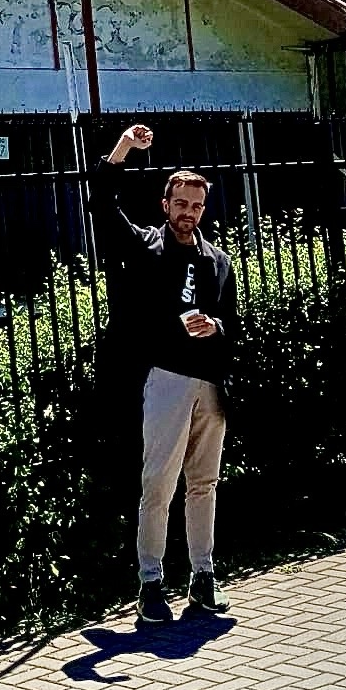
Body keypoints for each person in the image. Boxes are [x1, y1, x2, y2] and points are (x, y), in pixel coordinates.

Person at [90, 121, 237, 624]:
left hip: (209, 385)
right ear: (165, 204)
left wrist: (214, 326)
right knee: (158, 484)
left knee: (205, 483)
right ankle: (151, 583)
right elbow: (101, 203)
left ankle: (203, 577)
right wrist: (124, 147)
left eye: (196, 205)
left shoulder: (217, 261)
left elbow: (232, 324)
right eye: (181, 203)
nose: (188, 212)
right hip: (165, 380)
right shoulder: (146, 247)